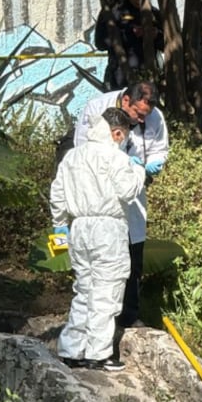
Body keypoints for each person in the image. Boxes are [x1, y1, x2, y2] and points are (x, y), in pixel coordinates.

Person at [52, 107, 146, 372]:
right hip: (108, 228)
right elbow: (127, 191)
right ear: (117, 133)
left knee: (83, 290)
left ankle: (71, 349)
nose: (125, 140)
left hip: (78, 228)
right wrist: (138, 172)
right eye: (124, 136)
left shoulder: (72, 156)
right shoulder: (115, 157)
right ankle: (98, 353)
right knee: (107, 291)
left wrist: (59, 230)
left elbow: (57, 195)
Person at [73, 81, 168, 327]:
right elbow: (84, 151)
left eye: (144, 116)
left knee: (132, 259)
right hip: (100, 196)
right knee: (100, 264)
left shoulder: (154, 117)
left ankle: (128, 316)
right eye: (137, 113)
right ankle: (95, 319)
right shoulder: (96, 109)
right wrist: (124, 164)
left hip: (132, 195)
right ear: (126, 101)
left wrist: (150, 166)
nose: (139, 120)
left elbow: (159, 148)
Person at [94, 0, 165, 90]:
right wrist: (128, 34)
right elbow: (100, 43)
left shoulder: (154, 14)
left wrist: (155, 35)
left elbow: (168, 45)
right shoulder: (113, 13)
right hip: (120, 78)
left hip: (151, 78)